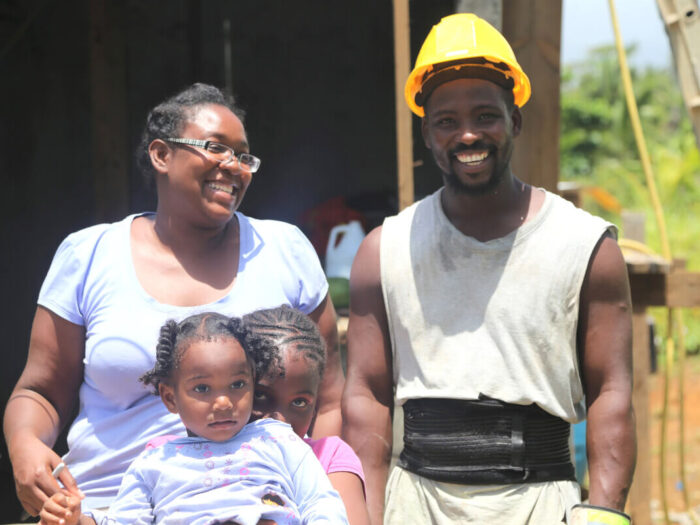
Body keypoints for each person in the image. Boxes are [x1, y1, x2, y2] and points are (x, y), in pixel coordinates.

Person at [342, 13, 635, 525]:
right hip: (416, 507)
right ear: (428, 134)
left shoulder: (584, 247)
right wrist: (364, 515)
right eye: (447, 121)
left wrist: (605, 511)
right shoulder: (383, 251)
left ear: (515, 121)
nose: (468, 135)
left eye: (486, 115)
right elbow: (366, 394)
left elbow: (611, 390)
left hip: (542, 506)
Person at [4, 82, 344, 517]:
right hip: (98, 508)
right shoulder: (89, 255)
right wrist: (24, 447)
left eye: (243, 156)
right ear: (162, 154)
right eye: (215, 148)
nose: (234, 166)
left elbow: (329, 399)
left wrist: (319, 493)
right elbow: (40, 390)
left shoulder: (284, 251)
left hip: (249, 507)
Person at [39, 312, 349, 525]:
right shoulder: (153, 463)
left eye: (238, 384)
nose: (224, 401)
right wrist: (78, 518)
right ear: (171, 398)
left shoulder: (279, 440)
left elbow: (321, 503)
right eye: (202, 388)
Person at [244, 306, 370, 525]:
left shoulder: (329, 459)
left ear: (315, 405)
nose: (279, 421)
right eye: (261, 396)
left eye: (299, 402)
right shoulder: (181, 457)